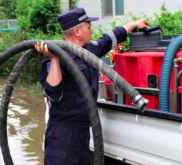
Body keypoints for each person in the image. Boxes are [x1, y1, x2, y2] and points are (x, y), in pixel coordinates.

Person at [35, 7, 148, 165]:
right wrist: (54, 59)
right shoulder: (56, 56)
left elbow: (110, 38)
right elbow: (52, 92)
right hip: (62, 136)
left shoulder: (90, 50)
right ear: (78, 32)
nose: (92, 29)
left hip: (84, 132)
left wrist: (134, 24)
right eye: (89, 27)